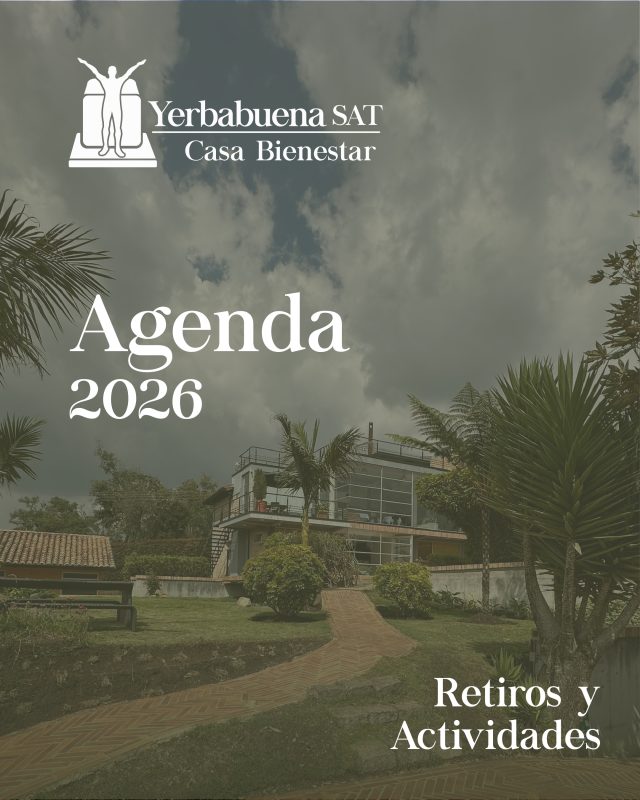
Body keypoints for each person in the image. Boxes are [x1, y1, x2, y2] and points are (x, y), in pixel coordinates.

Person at [77, 58, 146, 157]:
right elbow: (94, 71)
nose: (112, 71)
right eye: (110, 70)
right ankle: (105, 147)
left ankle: (118, 148)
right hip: (107, 107)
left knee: (118, 128)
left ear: (115, 72)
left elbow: (129, 72)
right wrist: (85, 63)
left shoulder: (120, 81)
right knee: (105, 127)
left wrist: (138, 64)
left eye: (113, 70)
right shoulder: (104, 80)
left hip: (117, 107)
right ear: (108, 72)